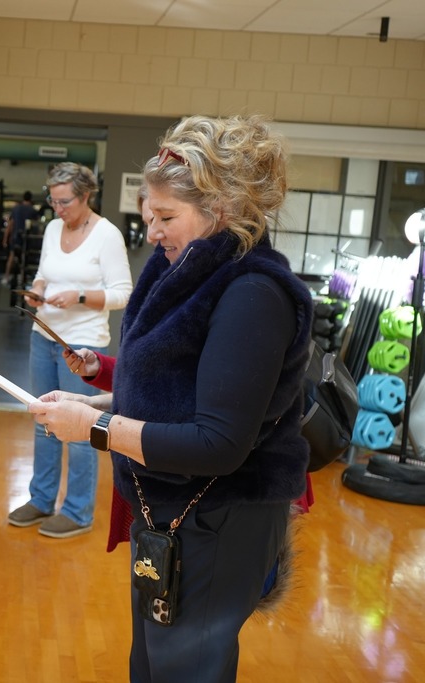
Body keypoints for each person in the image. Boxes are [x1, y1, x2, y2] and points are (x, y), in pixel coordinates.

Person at [28, 115, 315, 682]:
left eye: (165, 218)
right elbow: (180, 388)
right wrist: (103, 401)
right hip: (175, 512)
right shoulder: (186, 269)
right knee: (155, 665)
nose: (152, 233)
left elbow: (217, 442)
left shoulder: (252, 294)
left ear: (222, 210)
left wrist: (94, 428)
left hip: (219, 516)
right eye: (147, 217)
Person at [7, 162, 133, 538]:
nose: (57, 208)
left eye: (64, 202)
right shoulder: (51, 228)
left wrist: (78, 296)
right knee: (42, 417)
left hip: (83, 345)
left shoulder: (107, 235)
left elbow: (123, 293)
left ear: (85, 196)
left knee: (81, 426)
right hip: (42, 335)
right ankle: (41, 499)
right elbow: (45, 273)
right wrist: (38, 290)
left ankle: (78, 511)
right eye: (53, 200)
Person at [1, 190, 37, 285]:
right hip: (27, 238)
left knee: (11, 257)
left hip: (15, 236)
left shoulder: (16, 209)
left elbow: (10, 224)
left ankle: (6, 277)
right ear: (31, 199)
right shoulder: (32, 210)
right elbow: (35, 226)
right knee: (25, 257)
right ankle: (22, 277)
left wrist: (5, 239)